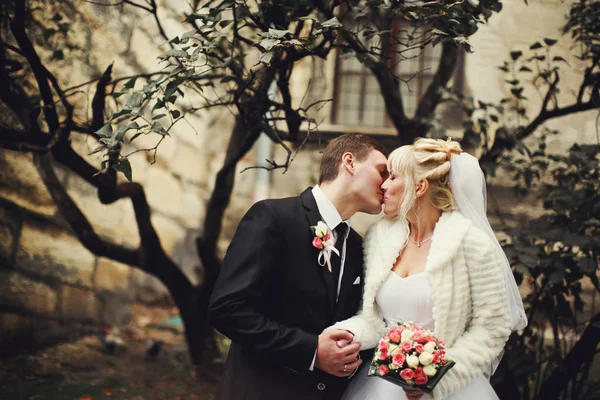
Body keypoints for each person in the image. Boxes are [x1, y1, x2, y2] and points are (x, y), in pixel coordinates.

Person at [327, 138, 527, 400]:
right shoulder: (379, 237)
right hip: (380, 386)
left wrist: (435, 377)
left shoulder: (471, 245)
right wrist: (341, 336)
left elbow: (492, 327)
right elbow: (373, 319)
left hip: (452, 388)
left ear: (419, 186)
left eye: (393, 177)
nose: (383, 185)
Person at [209, 133, 389, 400]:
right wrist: (312, 350)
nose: (387, 185)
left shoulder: (357, 246)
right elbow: (228, 309)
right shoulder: (273, 218)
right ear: (349, 162)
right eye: (382, 171)